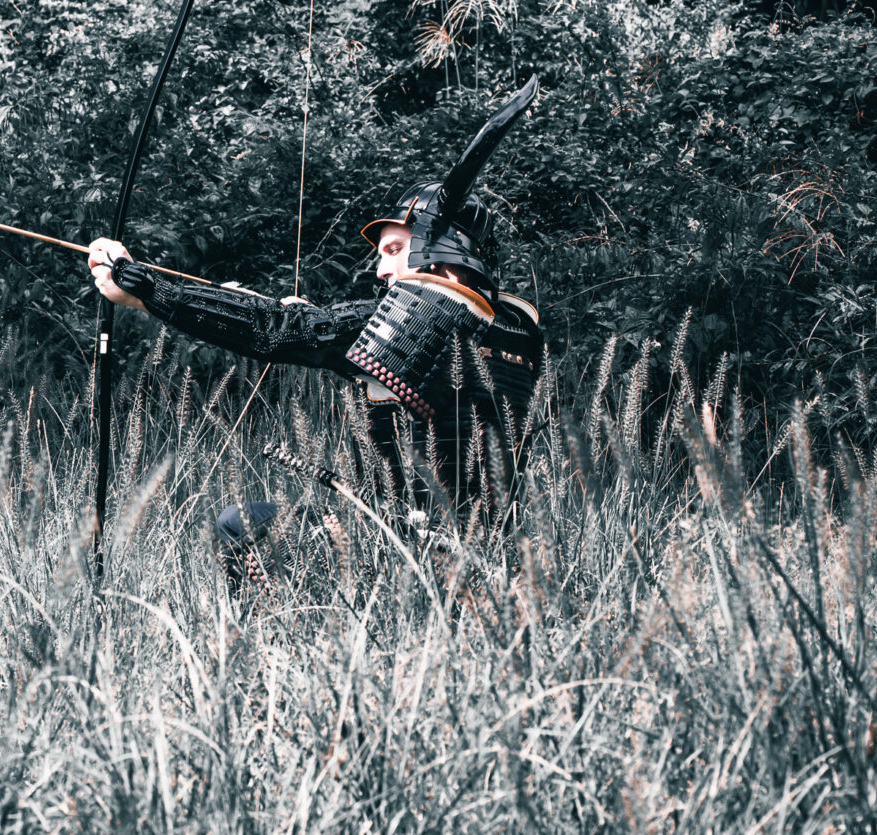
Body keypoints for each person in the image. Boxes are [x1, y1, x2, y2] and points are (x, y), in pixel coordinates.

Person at [86, 77, 546, 575]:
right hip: (486, 550)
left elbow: (278, 328)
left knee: (238, 526)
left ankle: (263, 644)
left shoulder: (433, 311)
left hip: (408, 547)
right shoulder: (512, 327)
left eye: (394, 250)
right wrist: (289, 315)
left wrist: (143, 290)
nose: (380, 270)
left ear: (440, 248)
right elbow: (342, 338)